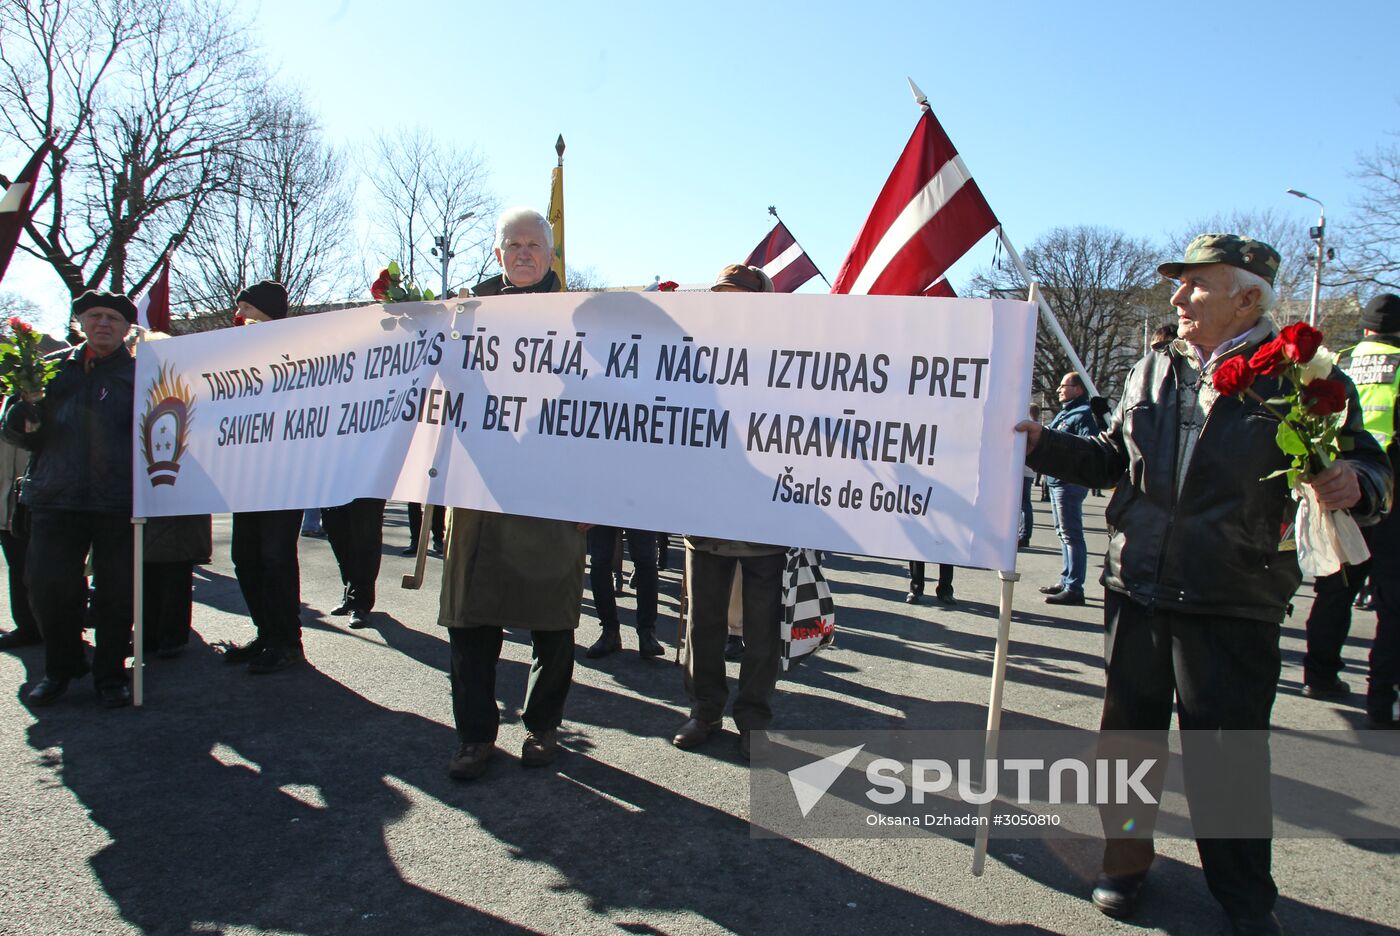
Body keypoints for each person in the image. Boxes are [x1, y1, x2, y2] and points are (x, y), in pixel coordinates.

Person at [1017, 234, 1392, 935]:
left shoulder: (1306, 376)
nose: (1177, 297)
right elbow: (1110, 463)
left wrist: (1356, 484)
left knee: (1229, 761)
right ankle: (1124, 864)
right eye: (1178, 284)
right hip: (1137, 585)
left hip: (1234, 594)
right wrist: (1041, 444)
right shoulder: (1150, 368)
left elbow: (1371, 468)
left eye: (1195, 284)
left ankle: (1244, 895)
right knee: (1127, 746)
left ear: (1248, 296)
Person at [440, 207, 584, 782]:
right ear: (498, 254)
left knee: (552, 623)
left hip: (552, 495)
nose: (523, 253)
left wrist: (594, 498)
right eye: (513, 245)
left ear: (551, 256)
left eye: (534, 245)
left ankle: (543, 727)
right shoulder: (463, 314)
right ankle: (474, 737)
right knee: (470, 623)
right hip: (478, 494)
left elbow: (604, 409)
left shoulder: (580, 320)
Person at [1, 291, 140, 707]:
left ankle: (111, 674)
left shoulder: (142, 375)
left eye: (113, 319)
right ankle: (61, 667)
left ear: (126, 329)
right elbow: (15, 431)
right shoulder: (43, 371)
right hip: (55, 497)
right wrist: (19, 421)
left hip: (118, 499)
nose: (103, 324)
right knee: (48, 588)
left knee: (116, 593)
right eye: (95, 316)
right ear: (80, 322)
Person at [673, 263, 784, 762]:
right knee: (703, 623)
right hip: (706, 513)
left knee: (762, 631)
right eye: (721, 295)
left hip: (765, 518)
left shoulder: (786, 358)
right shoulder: (695, 356)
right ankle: (705, 710)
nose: (727, 303)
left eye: (737, 294)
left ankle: (754, 719)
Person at [1301, 292, 1400, 726]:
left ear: (1365, 328)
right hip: (1385, 483)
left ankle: (1319, 674)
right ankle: (1384, 697)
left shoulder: (1338, 359)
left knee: (1336, 587)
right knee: (1392, 601)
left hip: (1335, 480)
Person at [221, 281, 307, 673]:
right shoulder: (238, 356)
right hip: (246, 474)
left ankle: (287, 642)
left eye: (247, 311)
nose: (241, 318)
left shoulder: (299, 353)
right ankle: (266, 633)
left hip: (284, 475)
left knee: (275, 556)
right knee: (246, 557)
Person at [1039, 371, 1099, 605]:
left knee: (1072, 534)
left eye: (1064, 385)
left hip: (1069, 482)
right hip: (1057, 480)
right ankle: (1067, 579)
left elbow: (1088, 445)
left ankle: (1075, 587)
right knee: (1063, 533)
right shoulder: (1068, 412)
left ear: (1078, 389)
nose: (1059, 389)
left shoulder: (1084, 414)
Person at [583, 527, 663, 659]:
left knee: (646, 560)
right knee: (600, 561)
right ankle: (610, 631)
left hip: (640, 507)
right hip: (601, 508)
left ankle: (647, 632)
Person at [0, 431, 39, 651]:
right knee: (18, 567)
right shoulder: (8, 404)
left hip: (39, 501)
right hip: (7, 503)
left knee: (54, 568)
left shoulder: (48, 404)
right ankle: (27, 626)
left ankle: (65, 624)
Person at [1019, 403, 1040, 547]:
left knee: (1024, 504)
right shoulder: (1036, 426)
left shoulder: (1030, 427)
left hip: (1024, 470)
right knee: (1023, 504)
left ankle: (1024, 534)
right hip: (1028, 471)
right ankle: (1024, 533)